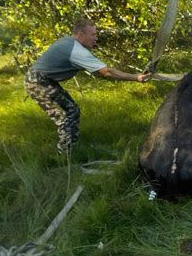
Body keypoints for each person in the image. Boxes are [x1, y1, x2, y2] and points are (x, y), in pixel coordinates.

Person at [24, 19, 151, 155]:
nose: (96, 38)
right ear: (80, 35)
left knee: (72, 110)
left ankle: (68, 151)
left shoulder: (68, 41)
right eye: (93, 35)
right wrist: (136, 77)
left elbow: (99, 72)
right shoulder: (76, 51)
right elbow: (106, 72)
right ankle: (64, 157)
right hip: (38, 82)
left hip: (41, 79)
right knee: (66, 116)